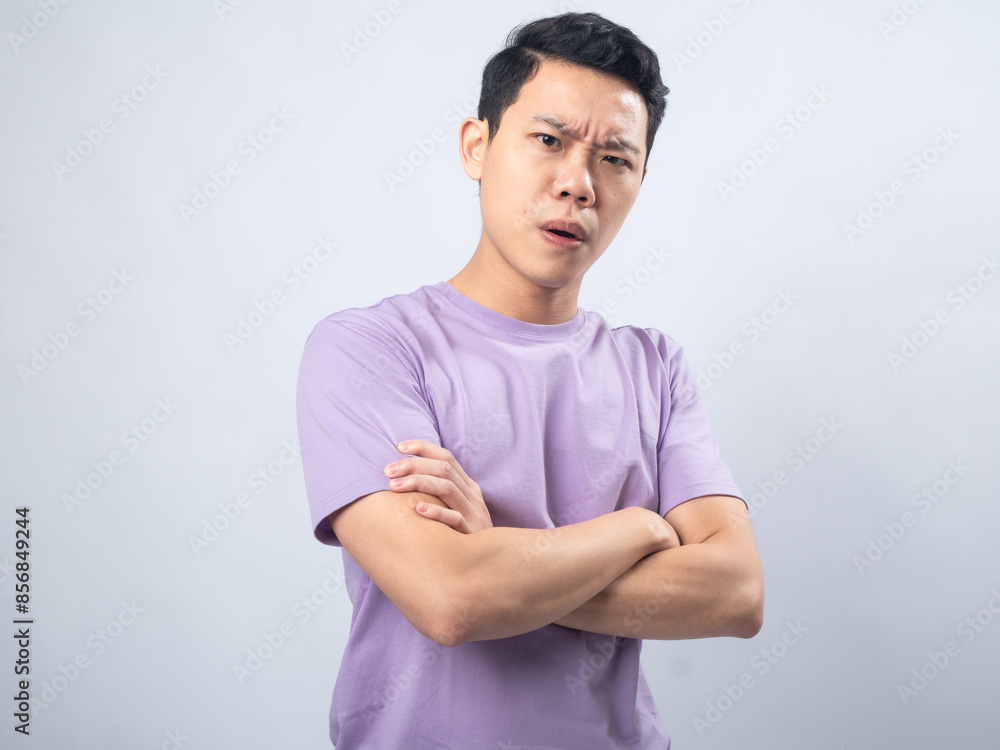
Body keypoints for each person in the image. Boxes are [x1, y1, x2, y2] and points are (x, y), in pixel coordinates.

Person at [296, 11, 764, 749]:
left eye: (615, 159)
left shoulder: (655, 369)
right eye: (548, 140)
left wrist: (503, 562)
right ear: (476, 146)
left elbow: (736, 592)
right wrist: (641, 529)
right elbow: (452, 598)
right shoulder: (370, 350)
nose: (578, 184)